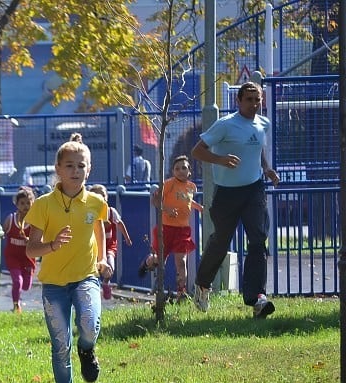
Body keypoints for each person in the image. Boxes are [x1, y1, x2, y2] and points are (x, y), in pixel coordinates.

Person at [25, 133, 110, 383]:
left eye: (81, 166)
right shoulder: (43, 205)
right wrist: (52, 246)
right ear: (58, 170)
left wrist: (105, 260)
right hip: (54, 286)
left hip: (86, 277)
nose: (76, 171)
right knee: (60, 345)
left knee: (90, 323)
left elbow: (99, 232)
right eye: (70, 166)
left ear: (89, 169)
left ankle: (87, 349)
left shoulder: (96, 203)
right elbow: (30, 248)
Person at [191, 81, 281, 317]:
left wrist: (267, 168)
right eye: (249, 99)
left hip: (254, 189)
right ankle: (202, 285)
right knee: (221, 241)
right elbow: (197, 151)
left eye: (257, 99)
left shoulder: (264, 123)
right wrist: (220, 160)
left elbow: (257, 147)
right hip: (227, 193)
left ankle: (257, 298)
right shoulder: (225, 125)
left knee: (258, 240)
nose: (254, 104)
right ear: (238, 101)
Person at [139, 157, 201, 302]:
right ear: (173, 171)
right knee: (160, 261)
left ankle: (181, 292)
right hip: (166, 229)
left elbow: (187, 201)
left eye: (184, 168)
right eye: (177, 168)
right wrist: (167, 209)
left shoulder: (191, 187)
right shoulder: (169, 184)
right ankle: (147, 262)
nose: (180, 171)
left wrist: (198, 207)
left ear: (189, 171)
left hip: (183, 230)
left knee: (182, 262)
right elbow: (155, 200)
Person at [88, 184, 131, 300]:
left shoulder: (111, 212)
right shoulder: (89, 213)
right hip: (94, 246)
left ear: (106, 197)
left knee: (110, 266)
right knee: (94, 270)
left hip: (109, 246)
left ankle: (106, 282)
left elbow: (120, 223)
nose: (100, 198)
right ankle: (94, 288)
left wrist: (126, 237)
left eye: (102, 196)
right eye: (96, 196)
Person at [2, 187, 37, 313]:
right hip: (13, 256)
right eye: (22, 203)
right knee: (17, 281)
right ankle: (16, 306)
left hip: (28, 257)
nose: (26, 206)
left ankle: (18, 300)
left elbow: (40, 240)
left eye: (28, 203)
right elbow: (3, 231)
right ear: (16, 204)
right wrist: (1, 234)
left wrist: (30, 240)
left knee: (26, 286)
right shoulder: (11, 219)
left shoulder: (35, 221)